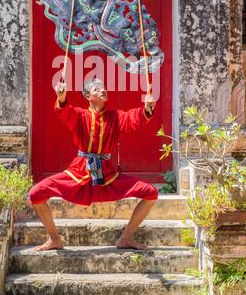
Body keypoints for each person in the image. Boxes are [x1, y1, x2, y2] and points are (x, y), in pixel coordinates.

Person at [29, 77, 158, 251]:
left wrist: (147, 109)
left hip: (106, 175)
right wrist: (61, 98)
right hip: (80, 171)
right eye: (97, 89)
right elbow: (64, 111)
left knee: (150, 193)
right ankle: (55, 239)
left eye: (104, 88)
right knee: (36, 194)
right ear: (88, 96)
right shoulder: (80, 115)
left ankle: (126, 238)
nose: (103, 90)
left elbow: (133, 118)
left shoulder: (115, 117)